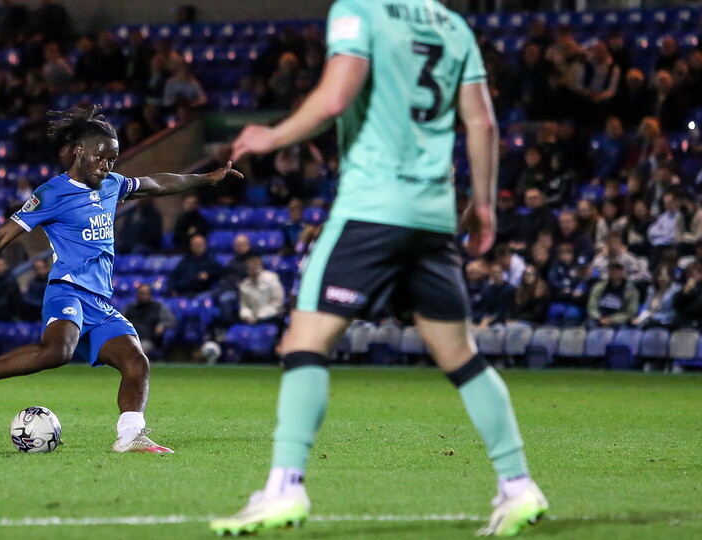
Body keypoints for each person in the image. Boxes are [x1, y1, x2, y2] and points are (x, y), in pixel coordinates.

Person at [212, 1, 547, 535]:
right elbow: (482, 121)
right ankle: (517, 484)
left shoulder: (360, 10)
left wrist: (271, 136)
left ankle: (284, 488)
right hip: (433, 215)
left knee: (303, 343)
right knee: (461, 356)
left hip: (371, 209)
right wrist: (484, 204)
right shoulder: (453, 25)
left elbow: (337, 94)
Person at [0, 105, 242, 455]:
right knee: (58, 351)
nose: (107, 165)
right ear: (78, 152)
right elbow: (1, 236)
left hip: (100, 301)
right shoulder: (52, 193)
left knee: (136, 362)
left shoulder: (113, 185)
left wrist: (205, 178)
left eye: (113, 159)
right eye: (101, 157)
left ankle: (129, 435)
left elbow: (157, 183)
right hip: (67, 289)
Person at [122, 284, 176, 357]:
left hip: (148, 339)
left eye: (146, 294)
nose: (143, 296)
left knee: (139, 350)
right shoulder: (130, 308)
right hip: (131, 338)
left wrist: (162, 325)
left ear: (150, 295)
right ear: (137, 295)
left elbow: (171, 321)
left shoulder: (158, 307)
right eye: (141, 293)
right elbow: (120, 322)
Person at [586, 261, 639, 328]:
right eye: (611, 269)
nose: (614, 272)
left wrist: (612, 319)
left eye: (617, 269)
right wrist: (599, 318)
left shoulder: (631, 290)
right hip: (598, 319)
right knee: (589, 325)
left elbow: (630, 312)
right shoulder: (599, 287)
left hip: (618, 321)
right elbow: (591, 306)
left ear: (623, 271)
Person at [238, 255, 285, 325]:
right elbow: (244, 306)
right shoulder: (244, 285)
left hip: (271, 316)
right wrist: (247, 316)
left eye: (256, 267)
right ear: (247, 270)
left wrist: (259, 316)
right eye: (250, 268)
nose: (254, 270)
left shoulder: (272, 279)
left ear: (261, 267)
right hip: (251, 318)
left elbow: (277, 303)